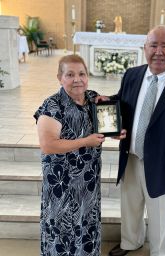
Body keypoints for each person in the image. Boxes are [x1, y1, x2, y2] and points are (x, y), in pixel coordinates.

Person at [98, 25, 165, 256]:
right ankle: (131, 242)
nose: (158, 51)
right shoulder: (133, 74)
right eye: (153, 45)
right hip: (131, 156)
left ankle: (159, 252)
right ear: (144, 48)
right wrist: (107, 104)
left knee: (161, 213)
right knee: (130, 207)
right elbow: (123, 101)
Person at [34, 55, 107, 255]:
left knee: (87, 229)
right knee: (62, 234)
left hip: (88, 186)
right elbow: (48, 145)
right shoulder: (52, 105)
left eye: (82, 74)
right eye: (70, 74)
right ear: (60, 77)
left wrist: (115, 133)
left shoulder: (93, 98)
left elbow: (104, 126)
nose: (77, 79)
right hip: (63, 186)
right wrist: (86, 141)